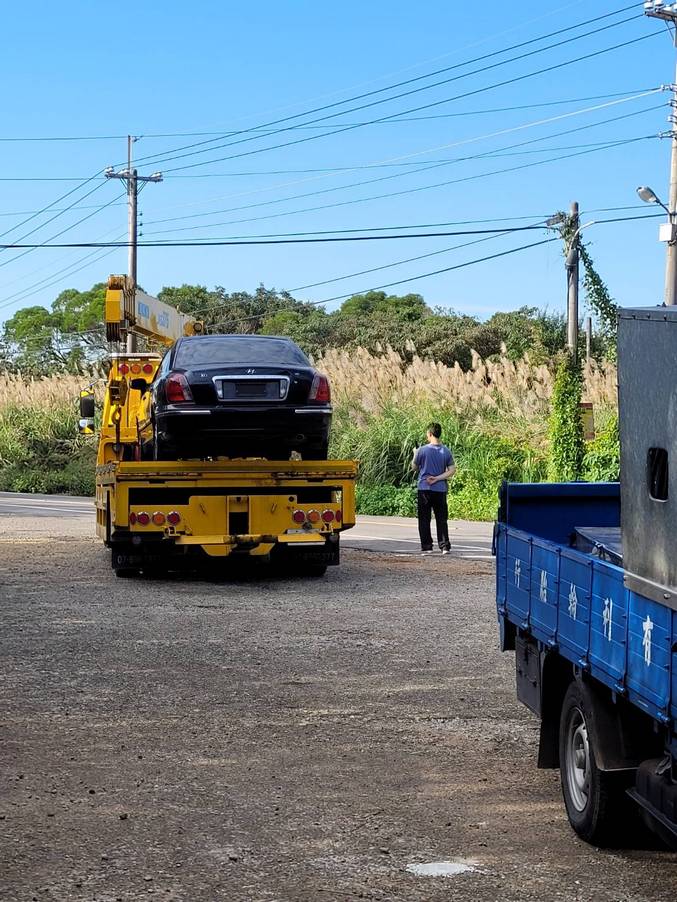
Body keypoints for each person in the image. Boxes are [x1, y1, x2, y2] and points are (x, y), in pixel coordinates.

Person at [411, 422, 456, 555]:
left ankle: (427, 546)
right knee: (441, 518)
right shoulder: (446, 450)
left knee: (424, 518)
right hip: (440, 489)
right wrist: (437, 478)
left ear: (430, 434)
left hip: (424, 487)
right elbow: (452, 470)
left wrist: (415, 453)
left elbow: (414, 467)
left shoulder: (422, 450)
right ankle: (444, 546)